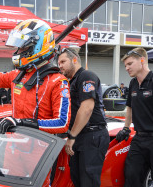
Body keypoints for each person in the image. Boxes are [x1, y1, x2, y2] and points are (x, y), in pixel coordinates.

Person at [0, 19, 71, 135]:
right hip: (15, 145)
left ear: (37, 47)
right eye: (18, 48)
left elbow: (62, 123)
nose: (18, 52)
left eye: (22, 48)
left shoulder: (57, 81)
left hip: (41, 149)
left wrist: (22, 123)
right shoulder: (18, 74)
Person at [57, 47, 109, 187]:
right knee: (78, 180)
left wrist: (72, 137)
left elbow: (87, 109)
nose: (60, 66)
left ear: (74, 59)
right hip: (80, 136)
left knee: (88, 182)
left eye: (63, 61)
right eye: (58, 63)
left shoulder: (86, 76)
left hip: (92, 135)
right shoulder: (72, 81)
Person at [116, 48, 153, 187]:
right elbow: (129, 108)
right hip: (139, 138)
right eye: (125, 65)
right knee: (131, 176)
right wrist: (126, 129)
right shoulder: (132, 83)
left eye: (130, 64)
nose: (126, 68)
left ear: (142, 60)